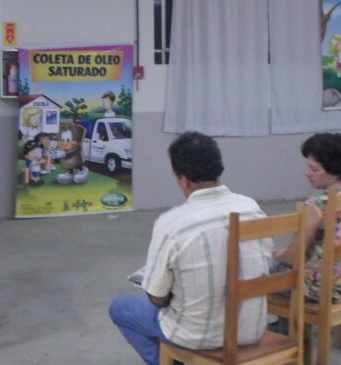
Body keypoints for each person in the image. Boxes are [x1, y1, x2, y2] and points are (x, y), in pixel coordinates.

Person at [109, 131, 271, 365]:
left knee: (121, 307)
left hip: (196, 337)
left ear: (183, 180)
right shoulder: (251, 208)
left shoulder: (172, 224)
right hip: (251, 329)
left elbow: (157, 297)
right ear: (218, 169)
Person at [273, 133, 341, 303]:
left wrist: (277, 255)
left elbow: (292, 258)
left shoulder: (317, 205)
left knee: (262, 274)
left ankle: (289, 326)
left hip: (319, 289)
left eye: (314, 169)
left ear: (334, 170)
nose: (306, 173)